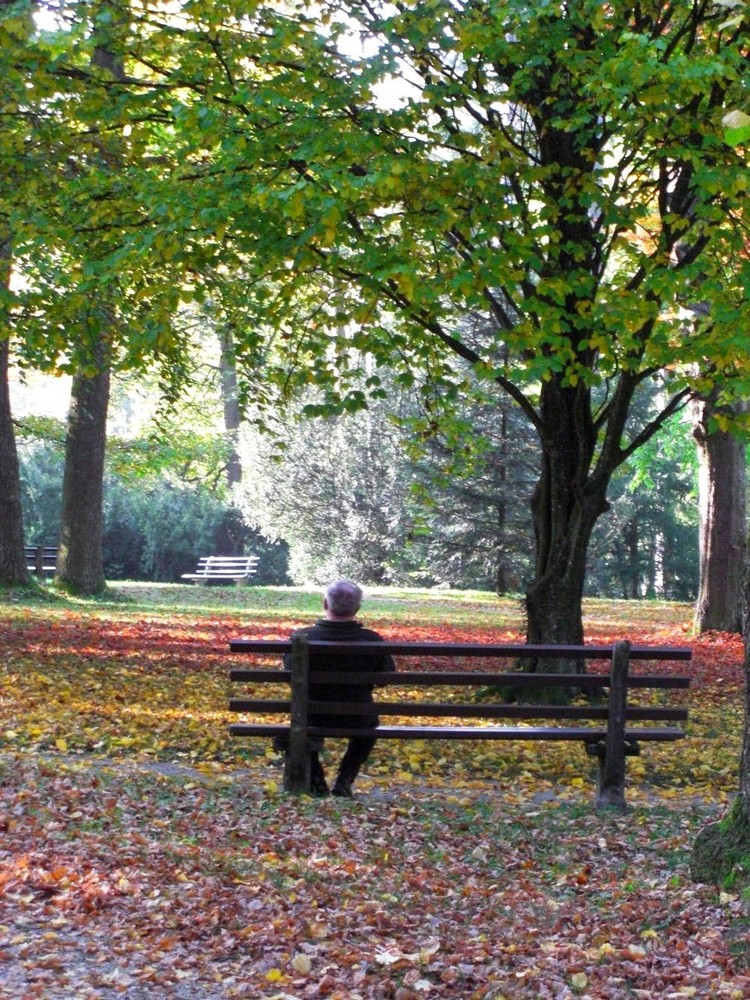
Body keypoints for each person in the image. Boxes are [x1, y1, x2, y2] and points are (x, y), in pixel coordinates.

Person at [281, 579, 394, 798]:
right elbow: (385, 679)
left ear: (325, 603)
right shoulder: (372, 640)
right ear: (358, 608)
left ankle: (317, 781)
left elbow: (290, 676)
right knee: (370, 725)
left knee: (300, 726)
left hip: (311, 716)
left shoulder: (302, 638)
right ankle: (345, 779)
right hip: (358, 717)